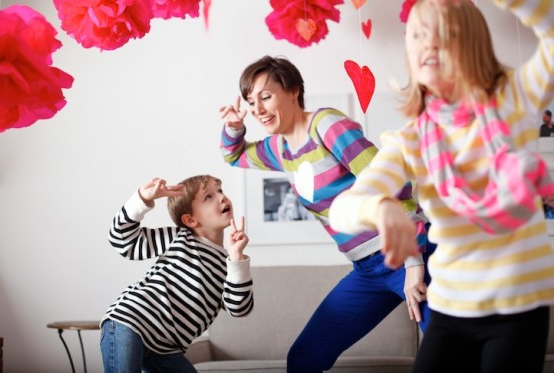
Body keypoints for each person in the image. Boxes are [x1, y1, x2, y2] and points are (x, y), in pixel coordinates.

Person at [329, 0, 554, 372]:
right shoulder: (410, 138)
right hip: (451, 308)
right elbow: (344, 208)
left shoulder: (515, 98)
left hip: (519, 305)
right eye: (416, 34)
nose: (426, 43)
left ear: (472, 41)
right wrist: (380, 209)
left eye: (441, 32)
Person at [219, 55, 435, 372]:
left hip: (410, 254)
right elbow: (234, 156)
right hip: (367, 270)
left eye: (265, 96)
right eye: (252, 102)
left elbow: (391, 181)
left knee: (455, 353)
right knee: (305, 358)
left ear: (293, 90)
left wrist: (414, 261)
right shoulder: (280, 149)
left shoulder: (327, 125)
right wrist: (234, 127)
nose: (258, 110)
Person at [100, 176, 253, 373]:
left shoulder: (229, 264)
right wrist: (142, 200)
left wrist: (237, 257)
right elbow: (122, 241)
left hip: (165, 348)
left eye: (220, 191)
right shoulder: (179, 238)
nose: (222, 198)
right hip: (131, 322)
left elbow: (239, 308)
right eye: (209, 196)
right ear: (190, 219)